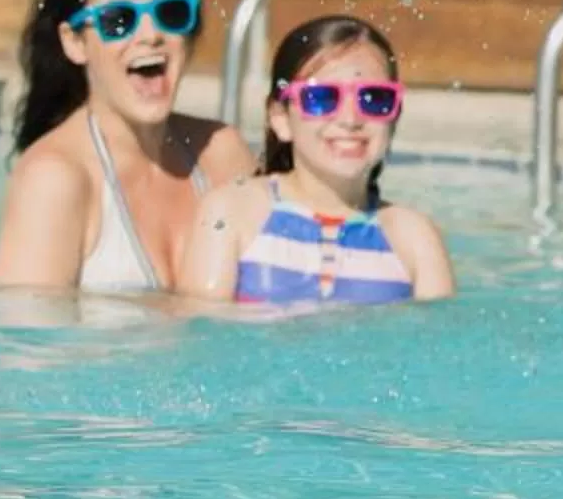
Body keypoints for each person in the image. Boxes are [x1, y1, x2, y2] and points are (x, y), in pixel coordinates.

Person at [0, 0, 256, 296]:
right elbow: (29, 347)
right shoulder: (54, 179)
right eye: (118, 20)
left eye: (170, 12)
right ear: (74, 42)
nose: (151, 34)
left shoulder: (222, 154)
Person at [177, 15, 455, 310]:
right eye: (321, 97)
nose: (350, 119)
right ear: (280, 119)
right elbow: (199, 331)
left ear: (394, 117)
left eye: (374, 98)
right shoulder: (231, 213)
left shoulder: (414, 238)